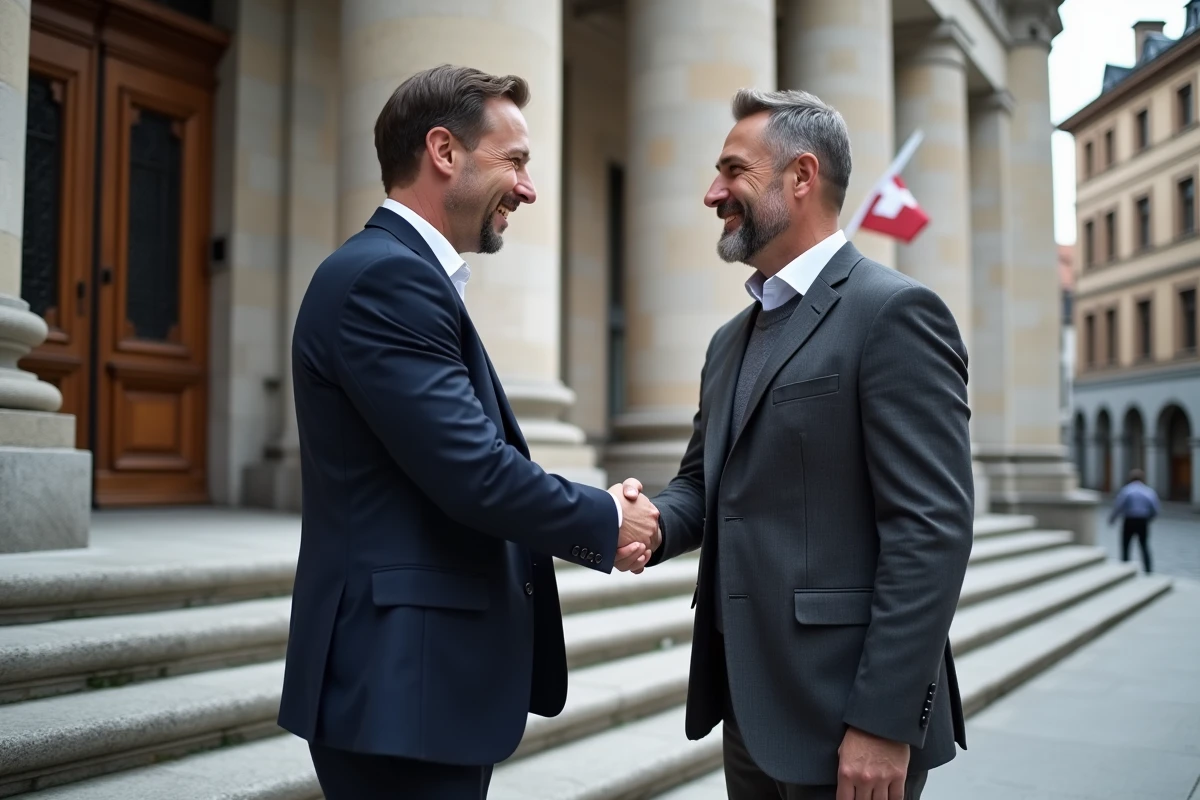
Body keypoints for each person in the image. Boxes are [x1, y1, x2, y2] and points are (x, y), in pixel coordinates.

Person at [277, 65, 661, 800]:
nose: (528, 188)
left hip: (413, 684)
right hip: (401, 684)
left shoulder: (397, 273)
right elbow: (474, 471)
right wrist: (609, 518)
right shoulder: (386, 279)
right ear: (444, 151)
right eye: (514, 160)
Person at [620, 88, 974, 800]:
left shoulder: (894, 312)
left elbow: (931, 528)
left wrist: (883, 721)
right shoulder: (728, 342)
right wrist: (642, 522)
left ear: (802, 176)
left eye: (733, 171)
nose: (712, 193)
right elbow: (703, 485)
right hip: (749, 710)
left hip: (850, 720)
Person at [1109, 468, 1159, 573]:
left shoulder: (1127, 490)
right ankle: (1148, 569)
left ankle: (1125, 566)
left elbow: (1119, 505)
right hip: (1142, 520)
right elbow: (1154, 508)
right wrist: (1149, 518)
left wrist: (1113, 519)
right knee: (1144, 545)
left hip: (1129, 520)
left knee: (1126, 545)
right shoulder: (1148, 491)